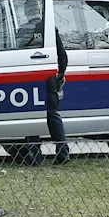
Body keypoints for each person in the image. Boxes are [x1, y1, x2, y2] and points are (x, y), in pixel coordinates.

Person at [45, 26, 70, 164]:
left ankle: (33, 154)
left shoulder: (25, 29)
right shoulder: (50, 29)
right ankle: (62, 151)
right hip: (49, 79)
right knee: (52, 114)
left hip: (32, 79)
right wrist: (60, 74)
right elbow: (62, 56)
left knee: (30, 113)